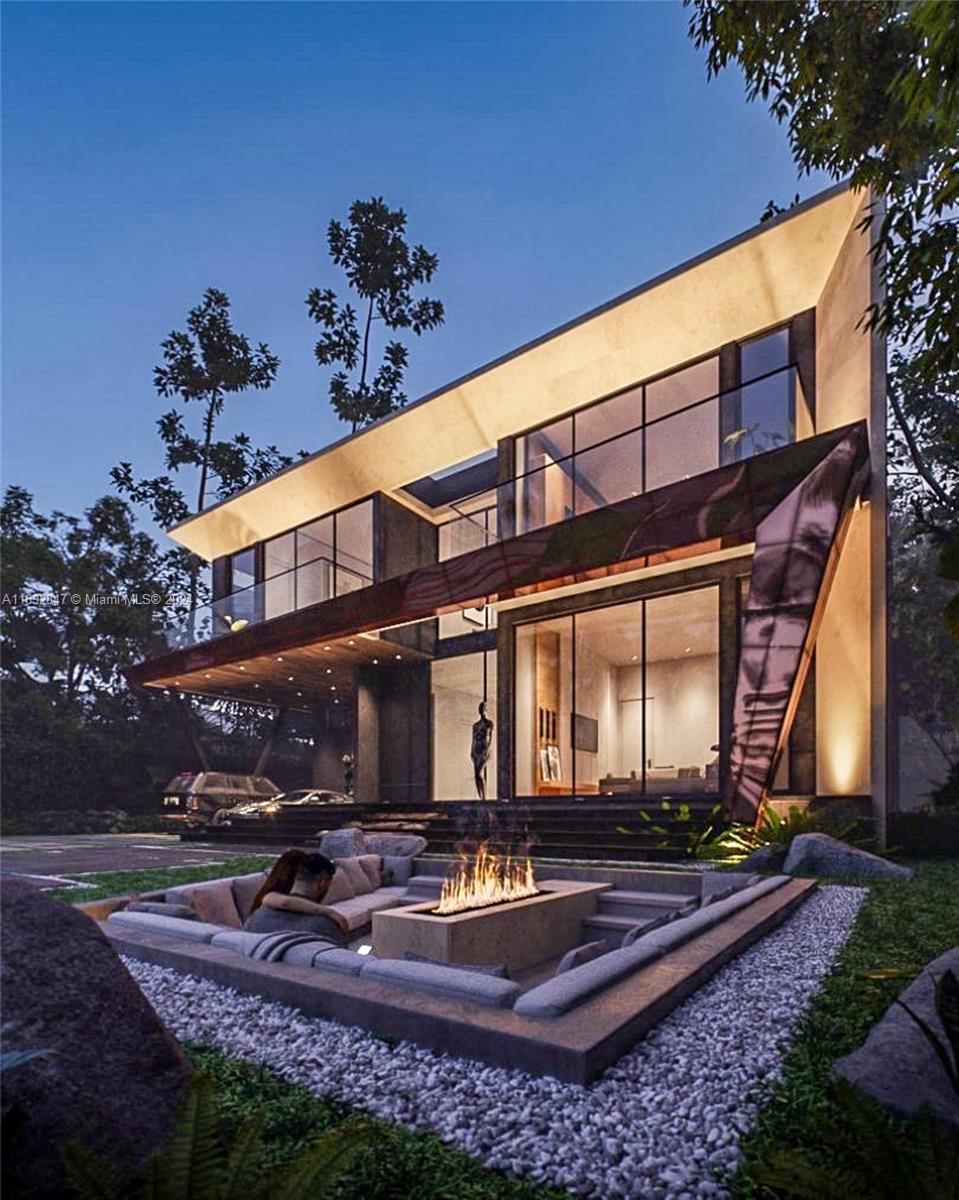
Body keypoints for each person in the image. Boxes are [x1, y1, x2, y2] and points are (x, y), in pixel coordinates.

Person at [471, 701, 494, 800]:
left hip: (484, 749)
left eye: (483, 708)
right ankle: (480, 796)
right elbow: (473, 739)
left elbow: (490, 738)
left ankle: (484, 796)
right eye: (480, 708)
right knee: (476, 774)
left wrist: (487, 749)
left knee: (478, 773)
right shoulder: (475, 725)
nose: (482, 710)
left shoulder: (489, 723)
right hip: (477, 749)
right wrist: (472, 750)